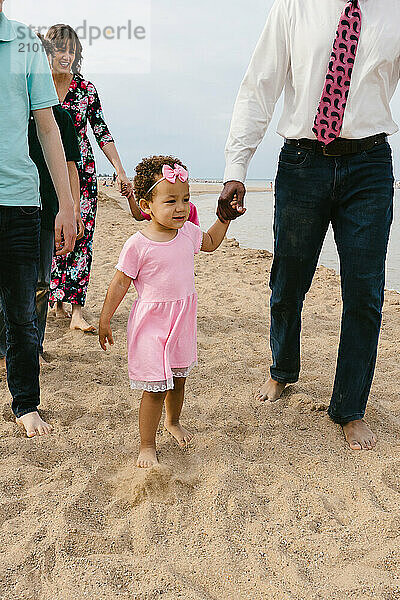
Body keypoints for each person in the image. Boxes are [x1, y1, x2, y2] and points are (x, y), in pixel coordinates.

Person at [218, 0, 399, 451]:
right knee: (288, 280)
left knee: (365, 292)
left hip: (370, 165)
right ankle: (283, 368)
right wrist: (236, 167)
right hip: (302, 163)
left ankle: (349, 406)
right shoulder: (293, 6)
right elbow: (259, 86)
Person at [99, 156, 241, 468]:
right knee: (154, 389)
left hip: (182, 320)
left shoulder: (188, 233)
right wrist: (106, 318)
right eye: (171, 201)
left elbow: (212, 241)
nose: (180, 207)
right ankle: (147, 445)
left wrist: (225, 217)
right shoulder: (137, 244)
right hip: (151, 324)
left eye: (185, 199)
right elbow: (120, 282)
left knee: (178, 380)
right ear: (146, 204)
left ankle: (173, 421)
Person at [0, 4, 77, 437]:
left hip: (19, 200)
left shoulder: (26, 41)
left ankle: (25, 403)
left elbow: (48, 126)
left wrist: (66, 204)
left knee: (22, 312)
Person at [45, 24, 133, 333]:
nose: (65, 55)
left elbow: (101, 132)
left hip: (82, 174)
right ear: (48, 52)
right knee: (51, 235)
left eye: (71, 50)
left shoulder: (86, 89)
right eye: (60, 49)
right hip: (46, 173)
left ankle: (77, 309)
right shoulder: (37, 86)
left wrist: (120, 169)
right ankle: (53, 299)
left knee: (81, 237)